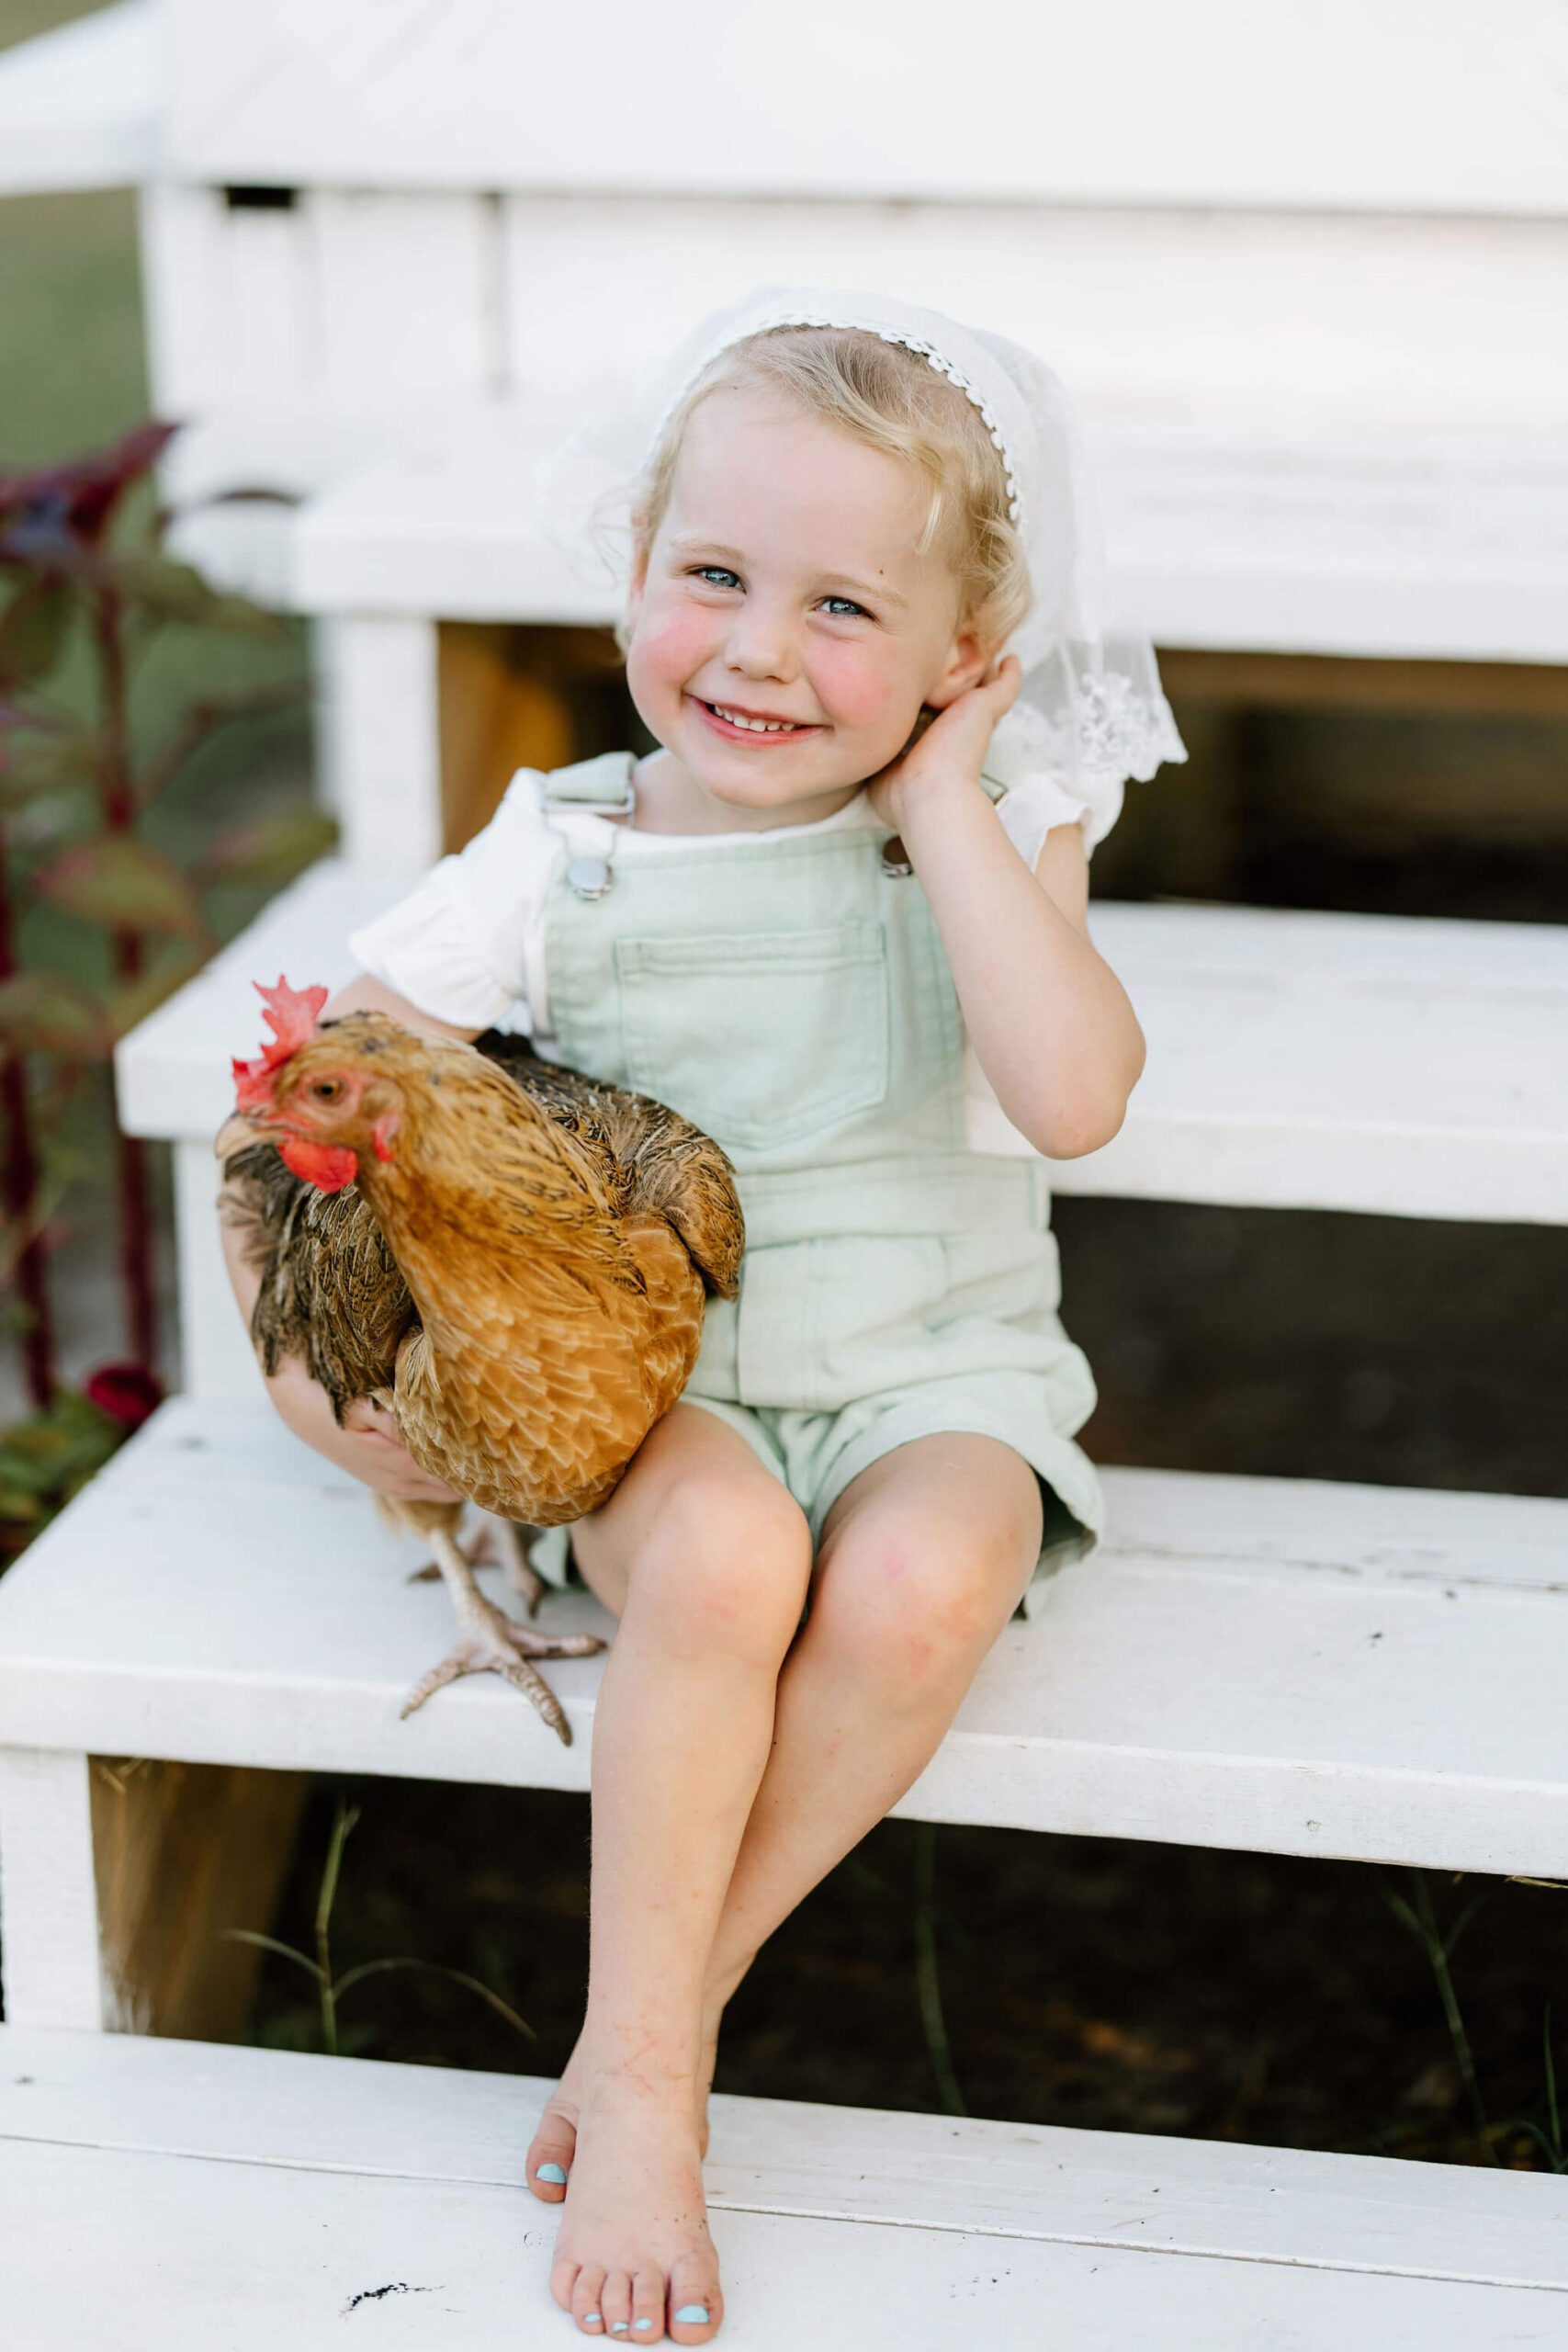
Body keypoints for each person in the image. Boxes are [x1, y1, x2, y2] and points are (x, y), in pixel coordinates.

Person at [218, 286, 1186, 2344]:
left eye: (846, 608)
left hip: (940, 1365)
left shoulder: (997, 836)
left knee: (925, 1569)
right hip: (667, 1387)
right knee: (733, 1553)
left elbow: (1075, 1096)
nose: (755, 648)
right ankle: (657, 2078)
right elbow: (322, 1113)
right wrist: (324, 1366)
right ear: (635, 562)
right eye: (714, 573)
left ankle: (655, 2009)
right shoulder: (559, 849)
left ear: (963, 660)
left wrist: (938, 810)